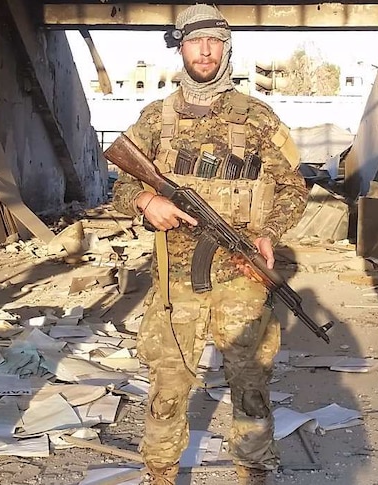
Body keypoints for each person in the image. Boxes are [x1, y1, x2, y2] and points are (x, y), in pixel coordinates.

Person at [110, 4, 308, 484]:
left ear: (226, 49)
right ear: (181, 48)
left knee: (251, 385)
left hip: (241, 276)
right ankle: (160, 474)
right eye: (196, 41)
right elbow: (118, 187)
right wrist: (144, 199)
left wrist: (268, 233)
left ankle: (253, 472)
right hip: (175, 280)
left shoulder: (258, 117)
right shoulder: (156, 119)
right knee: (168, 386)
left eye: (214, 41)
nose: (205, 50)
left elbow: (294, 188)